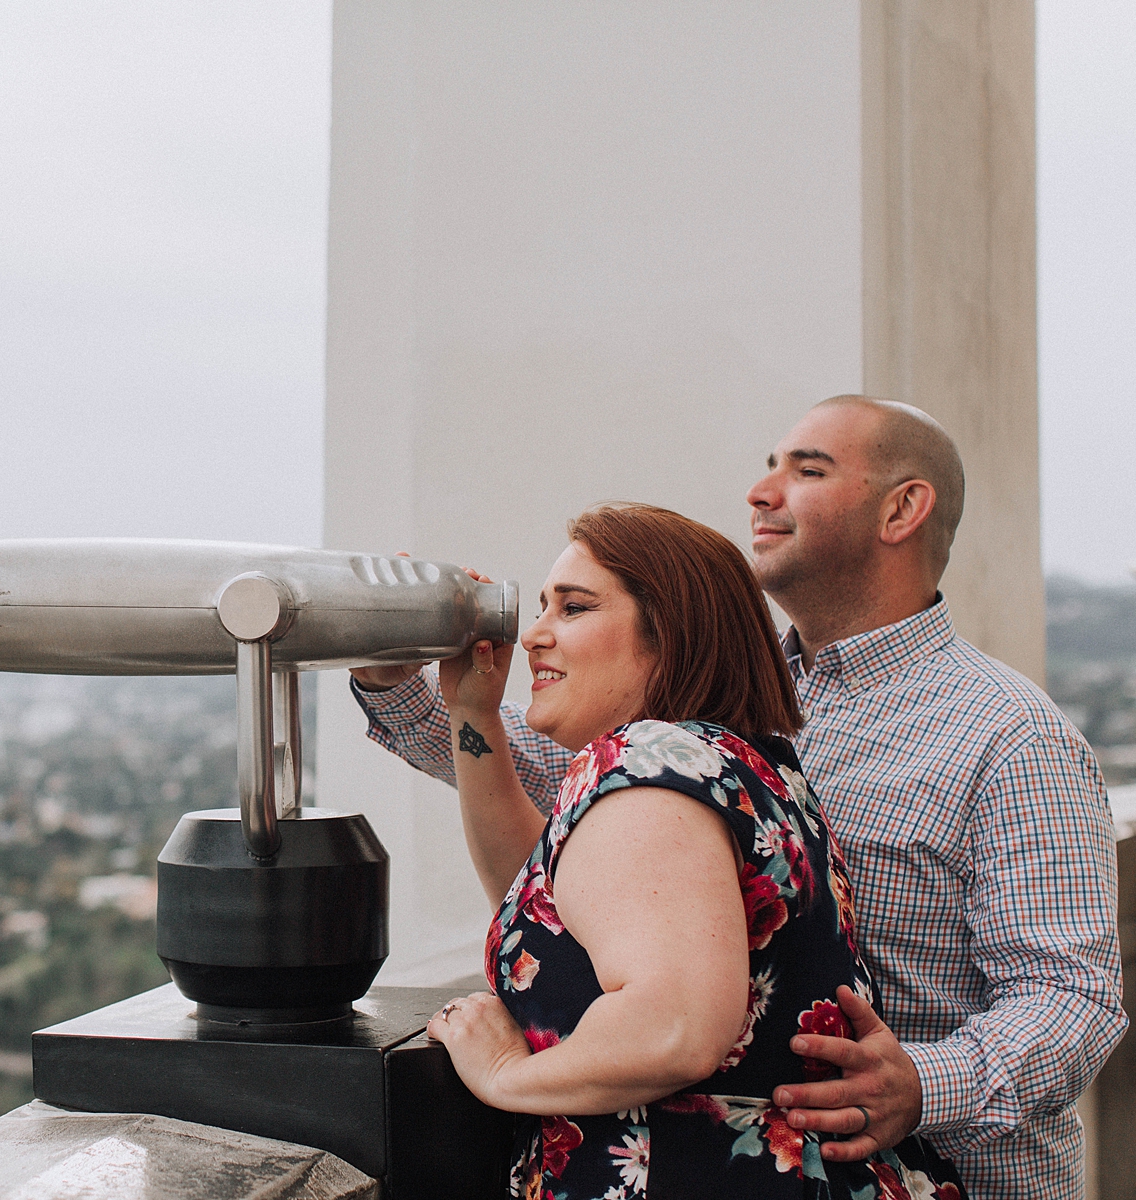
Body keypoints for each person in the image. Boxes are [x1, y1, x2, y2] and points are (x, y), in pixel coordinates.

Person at [355, 397, 1124, 1200]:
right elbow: (553, 802)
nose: (761, 491)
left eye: (807, 469)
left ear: (903, 508)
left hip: (938, 1168)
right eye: (767, 466)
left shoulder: (1011, 734)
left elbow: (1073, 996)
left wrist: (920, 1084)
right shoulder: (730, 720)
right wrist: (405, 684)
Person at [420, 501, 966, 1197]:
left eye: (575, 608)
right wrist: (473, 715)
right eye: (542, 607)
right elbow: (558, 906)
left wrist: (504, 1075)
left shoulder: (648, 759)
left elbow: (673, 1030)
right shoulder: (730, 765)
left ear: (669, 633)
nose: (534, 636)